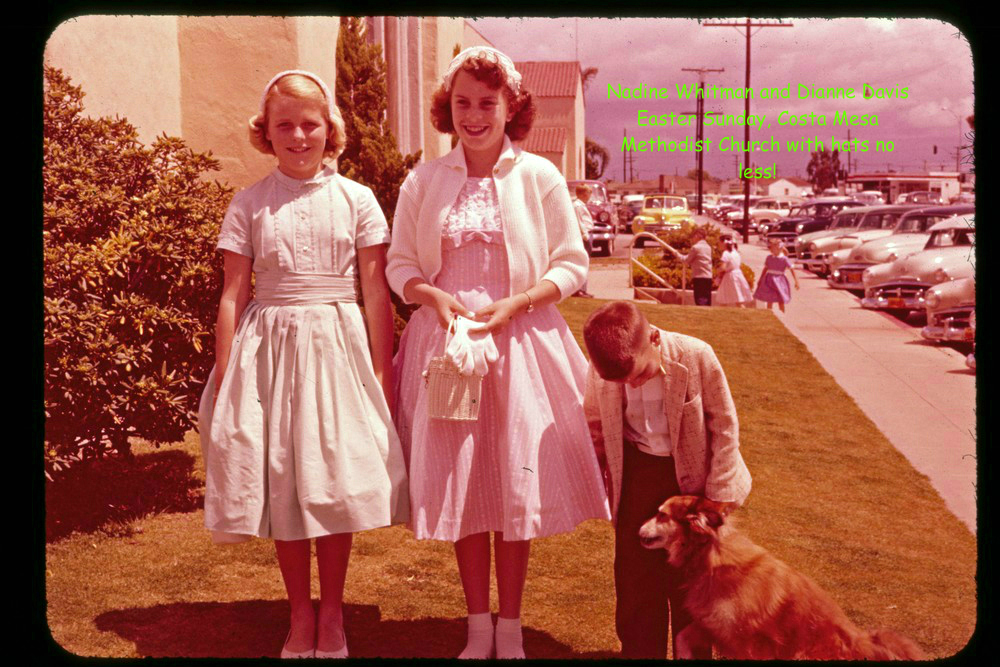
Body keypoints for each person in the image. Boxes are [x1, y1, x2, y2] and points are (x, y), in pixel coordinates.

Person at [387, 47, 611, 659]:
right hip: (448, 346)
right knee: (464, 485)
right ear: (447, 107)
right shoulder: (424, 180)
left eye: (487, 103)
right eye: (462, 102)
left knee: (514, 483)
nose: (474, 115)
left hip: (520, 344)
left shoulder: (538, 176)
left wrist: (519, 302)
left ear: (511, 107)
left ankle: (509, 628)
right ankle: (477, 626)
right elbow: (399, 265)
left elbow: (572, 264)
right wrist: (431, 296)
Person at [198, 70, 408, 659]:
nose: (297, 136)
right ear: (265, 131)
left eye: (309, 124)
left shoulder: (356, 200)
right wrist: (226, 374)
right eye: (284, 125)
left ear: (329, 129)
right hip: (268, 354)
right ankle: (299, 614)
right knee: (284, 479)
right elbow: (232, 295)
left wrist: (383, 373)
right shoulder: (249, 203)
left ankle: (333, 612)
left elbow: (375, 293)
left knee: (332, 479)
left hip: (337, 349)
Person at [581, 300, 752, 659]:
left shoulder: (696, 355)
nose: (633, 384)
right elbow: (594, 425)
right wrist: (595, 483)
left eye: (639, 374)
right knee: (635, 582)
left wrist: (715, 500)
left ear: (654, 338)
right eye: (623, 382)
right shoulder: (601, 370)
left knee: (692, 584)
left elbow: (724, 427)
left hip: (693, 485)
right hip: (636, 475)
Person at [754, 237, 800, 312]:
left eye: (773, 248)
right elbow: (765, 269)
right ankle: (769, 313)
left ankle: (782, 314)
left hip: (780, 281)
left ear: (779, 248)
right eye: (770, 248)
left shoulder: (784, 259)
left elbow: (792, 269)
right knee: (769, 299)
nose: (771, 249)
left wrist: (796, 281)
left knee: (781, 299)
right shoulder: (769, 258)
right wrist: (760, 279)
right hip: (769, 280)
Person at [670, 227, 713, 306]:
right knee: (707, 300)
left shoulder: (696, 247)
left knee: (700, 300)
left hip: (699, 277)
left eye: (693, 236)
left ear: (697, 235)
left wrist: (676, 254)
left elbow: (686, 260)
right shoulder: (708, 247)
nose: (692, 239)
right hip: (708, 276)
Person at [714, 237, 753, 307]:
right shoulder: (736, 252)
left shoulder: (726, 253)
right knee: (738, 299)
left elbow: (723, 267)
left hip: (730, 277)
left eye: (719, 242)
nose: (718, 244)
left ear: (723, 243)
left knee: (724, 299)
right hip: (738, 275)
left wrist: (717, 271)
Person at [572, 184, 595, 297]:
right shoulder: (577, 206)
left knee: (586, 262)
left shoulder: (581, 205)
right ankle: (579, 290)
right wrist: (585, 235)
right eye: (588, 193)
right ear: (582, 194)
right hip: (584, 236)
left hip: (587, 234)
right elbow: (579, 222)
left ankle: (583, 289)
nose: (589, 196)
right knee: (583, 262)